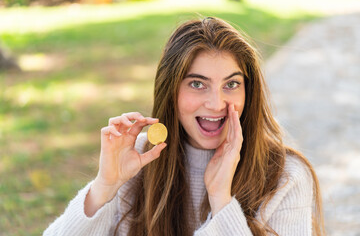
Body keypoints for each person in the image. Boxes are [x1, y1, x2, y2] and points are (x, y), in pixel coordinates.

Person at [44, 17, 325, 236]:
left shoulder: (286, 176)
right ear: (172, 92)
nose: (216, 103)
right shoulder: (140, 157)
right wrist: (105, 187)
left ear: (248, 92)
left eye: (231, 84)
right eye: (197, 84)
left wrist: (221, 201)